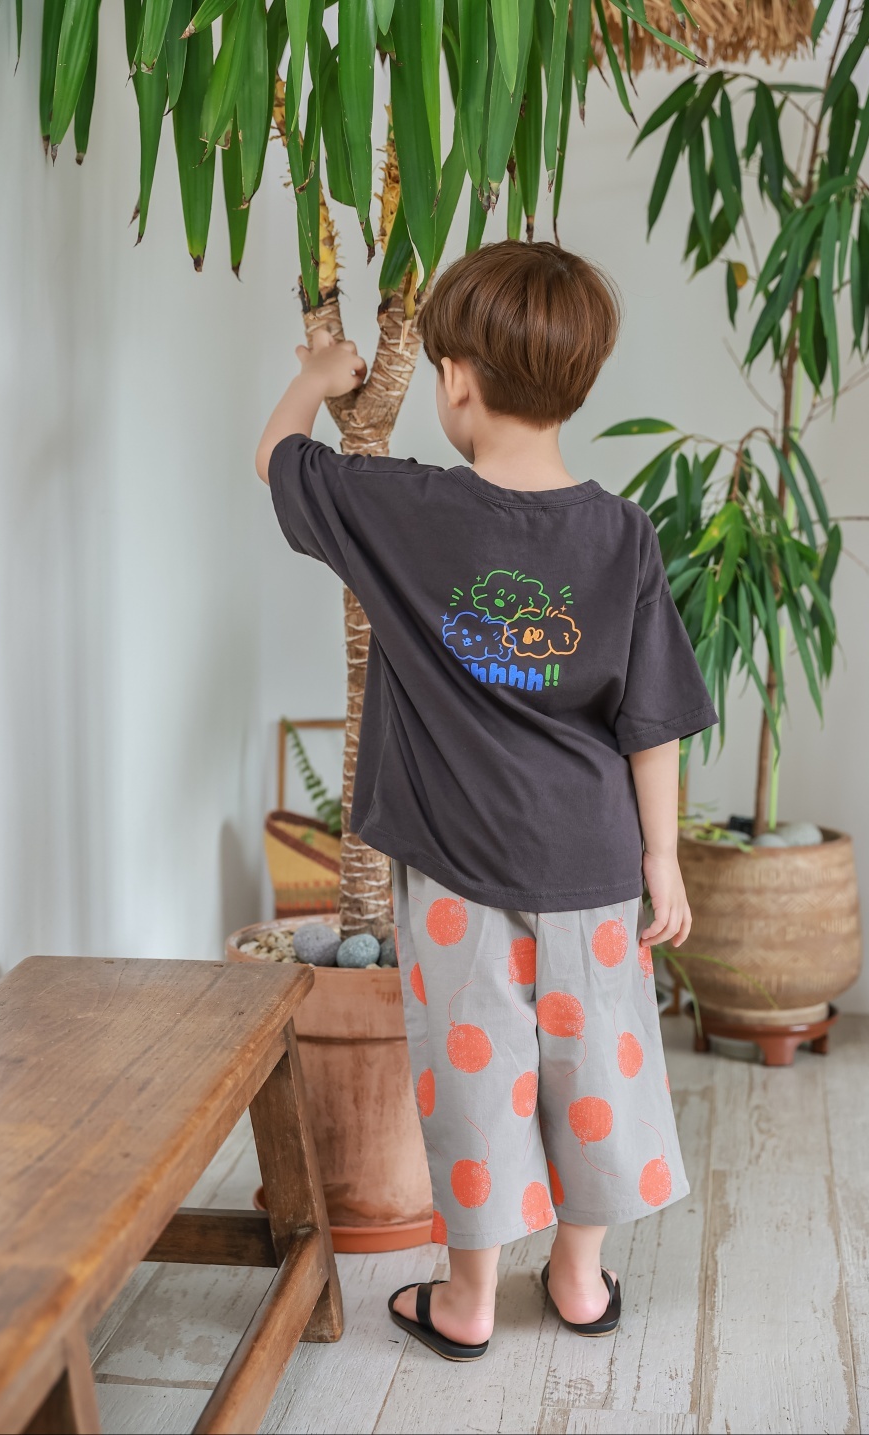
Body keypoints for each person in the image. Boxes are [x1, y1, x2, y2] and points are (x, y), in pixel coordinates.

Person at [255, 240, 717, 1363]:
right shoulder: (622, 533)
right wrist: (662, 860)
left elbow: (277, 461)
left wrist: (317, 376)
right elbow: (651, 719)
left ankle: (467, 1300)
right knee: (595, 1064)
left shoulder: (403, 510)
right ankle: (578, 1276)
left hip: (456, 873)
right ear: (579, 384)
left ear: (454, 380)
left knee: (474, 1076)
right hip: (595, 868)